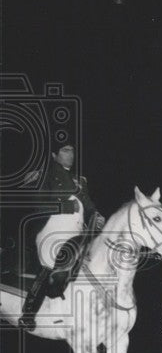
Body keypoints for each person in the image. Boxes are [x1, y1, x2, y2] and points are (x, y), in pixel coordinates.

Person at [19, 141, 105, 329]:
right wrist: (66, 206)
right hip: (52, 229)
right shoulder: (44, 176)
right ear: (53, 155)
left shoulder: (79, 181)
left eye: (73, 151)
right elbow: (38, 207)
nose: (71, 154)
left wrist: (97, 216)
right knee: (51, 262)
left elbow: (88, 206)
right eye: (66, 150)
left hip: (77, 232)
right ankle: (29, 313)